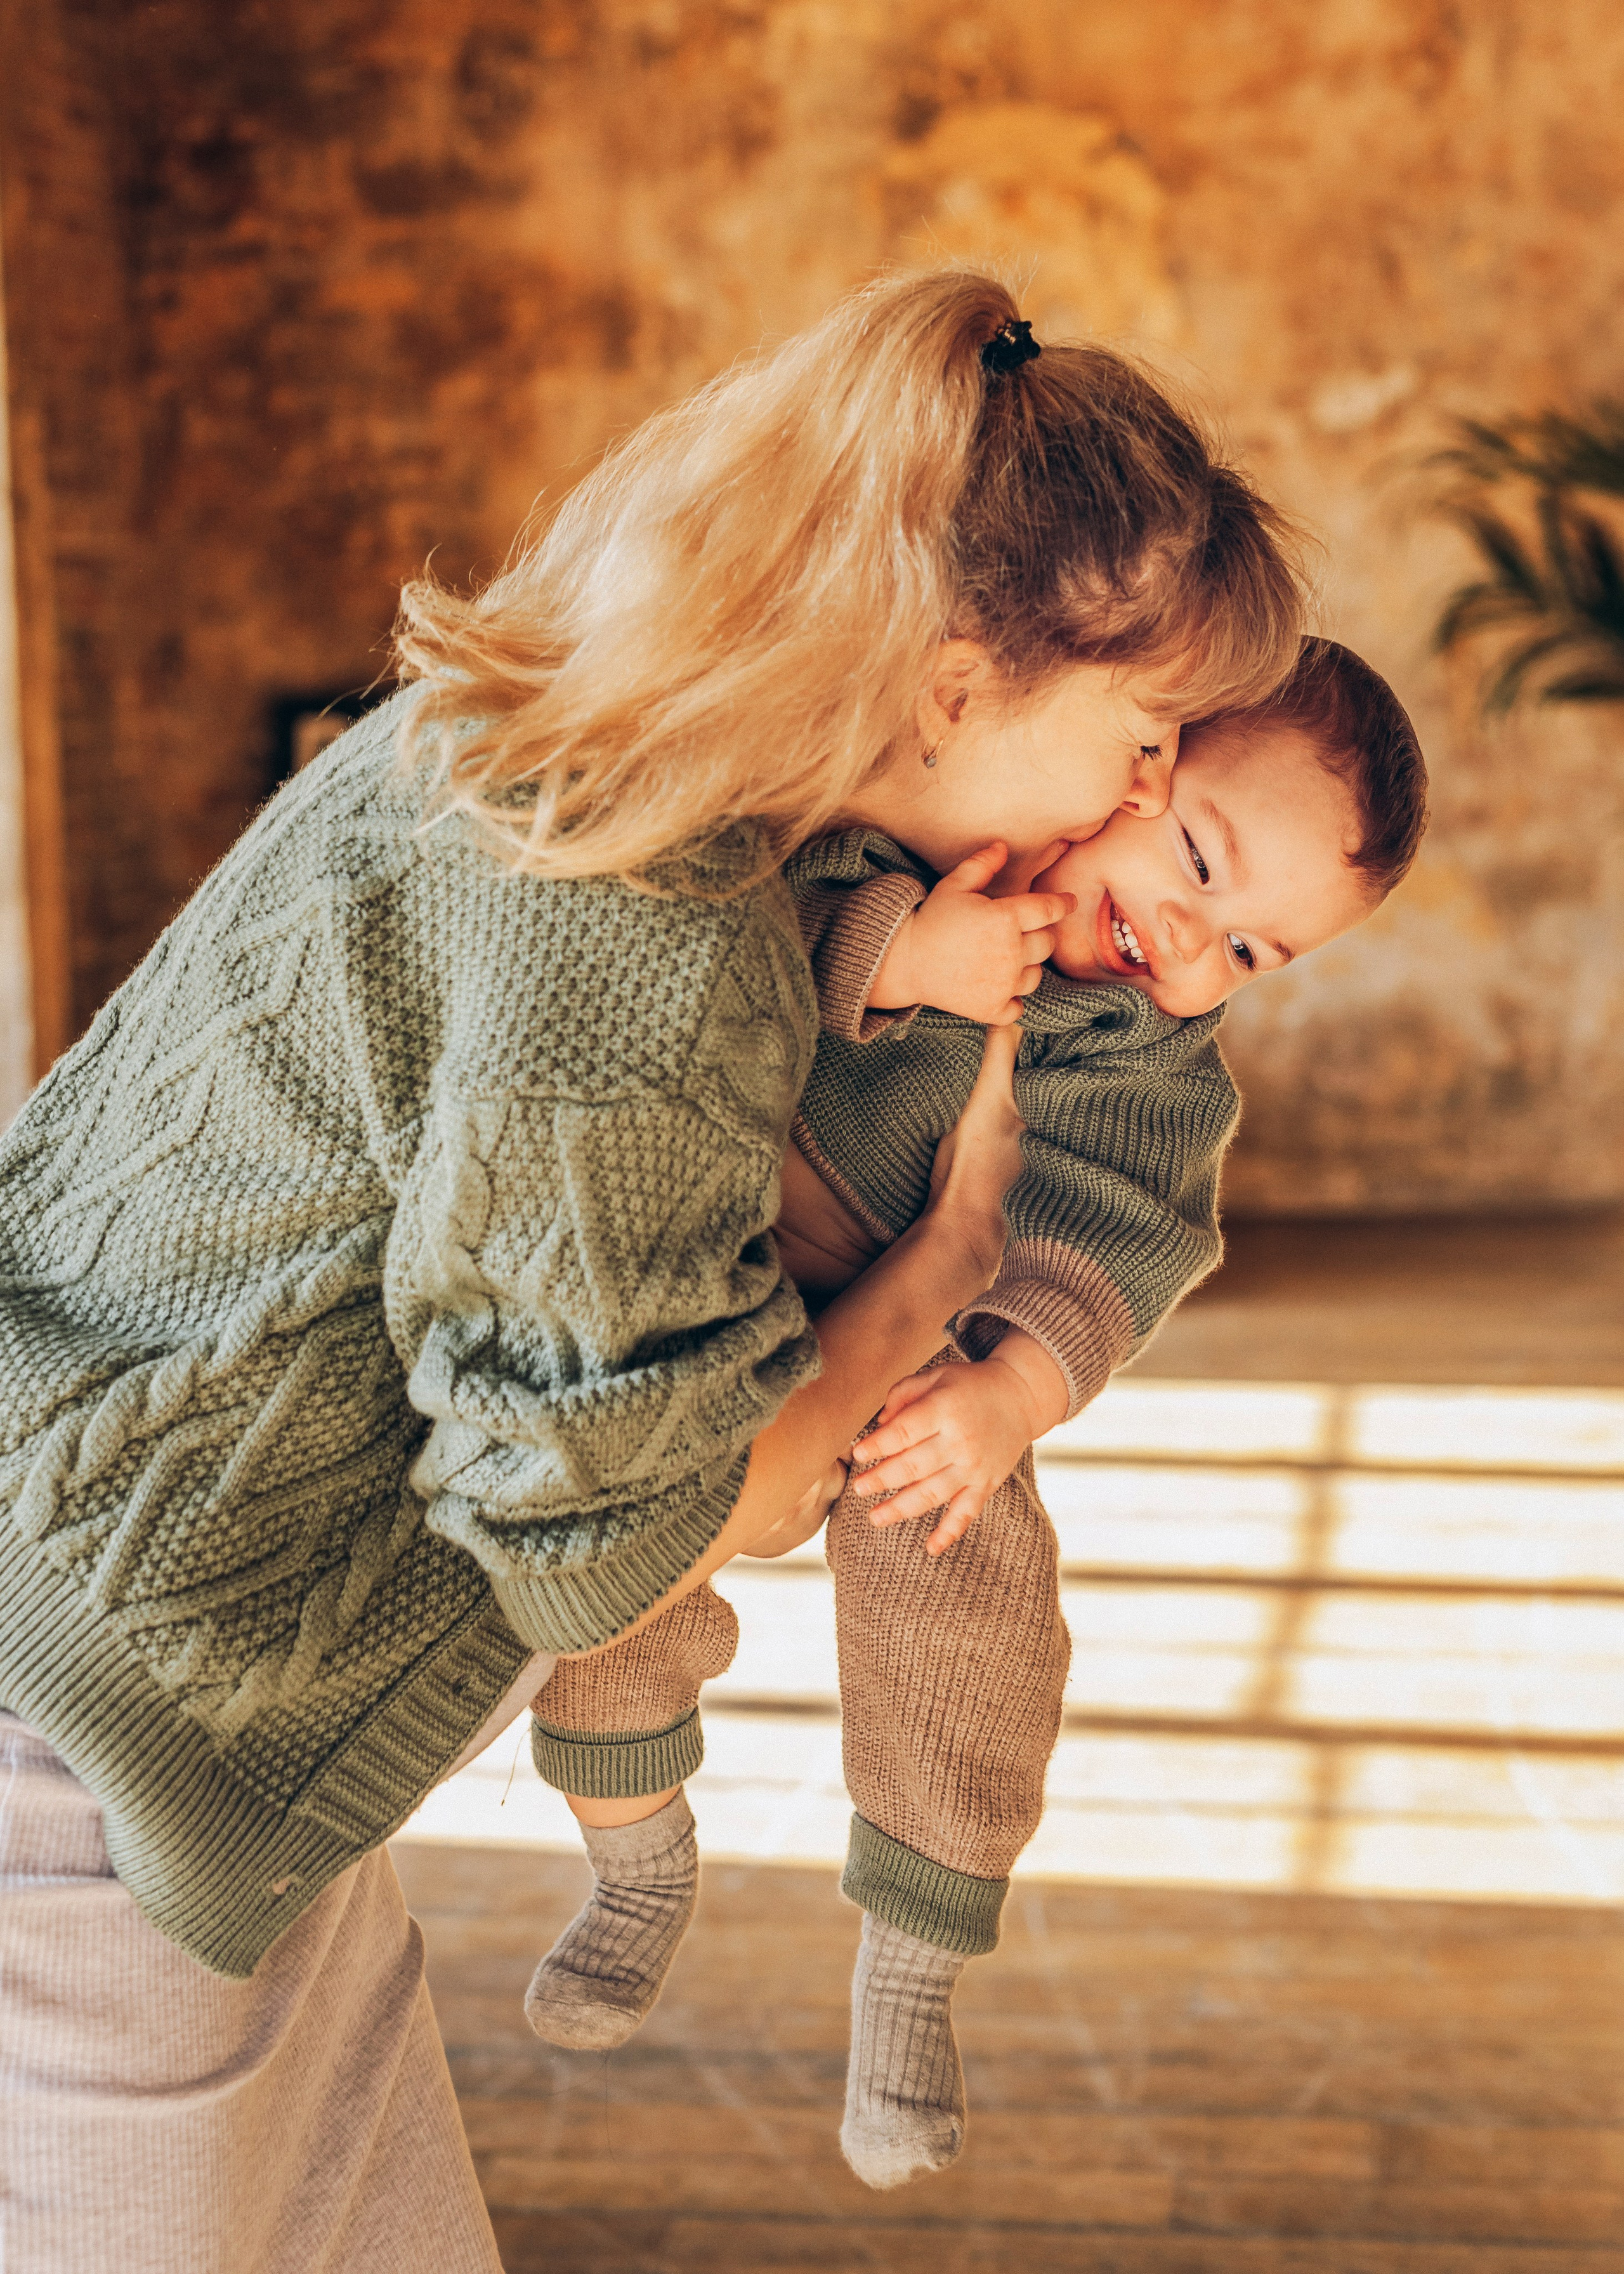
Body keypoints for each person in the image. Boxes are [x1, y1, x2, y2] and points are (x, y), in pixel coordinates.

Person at [0, 272, 1304, 2271]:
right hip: (93, 1770)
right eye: (1140, 739)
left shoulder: (536, 734)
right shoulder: (649, 930)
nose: (1144, 801)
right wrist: (943, 1257)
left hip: (218, 1729)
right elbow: (616, 1545)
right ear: (956, 684)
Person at [520, 636, 1428, 2189]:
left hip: (917, 1353)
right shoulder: (930, 848)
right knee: (609, 1530)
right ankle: (633, 1851)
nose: (1189, 948)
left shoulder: (1154, 1066)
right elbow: (736, 930)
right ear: (1133, 761)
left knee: (973, 1593)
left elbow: (1113, 1231)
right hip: (705, 1286)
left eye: (1251, 952)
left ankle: (908, 1974)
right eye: (1197, 863)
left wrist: (1009, 1388)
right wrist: (897, 956)